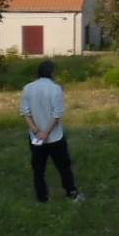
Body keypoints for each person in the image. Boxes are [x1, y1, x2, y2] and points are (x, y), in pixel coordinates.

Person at [19, 60, 81, 203]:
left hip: (35, 138)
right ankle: (71, 193)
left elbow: (25, 113)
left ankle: (42, 198)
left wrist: (36, 131)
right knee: (64, 167)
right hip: (55, 138)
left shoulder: (27, 88)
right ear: (52, 73)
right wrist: (46, 133)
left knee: (38, 169)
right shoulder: (55, 89)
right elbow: (56, 115)